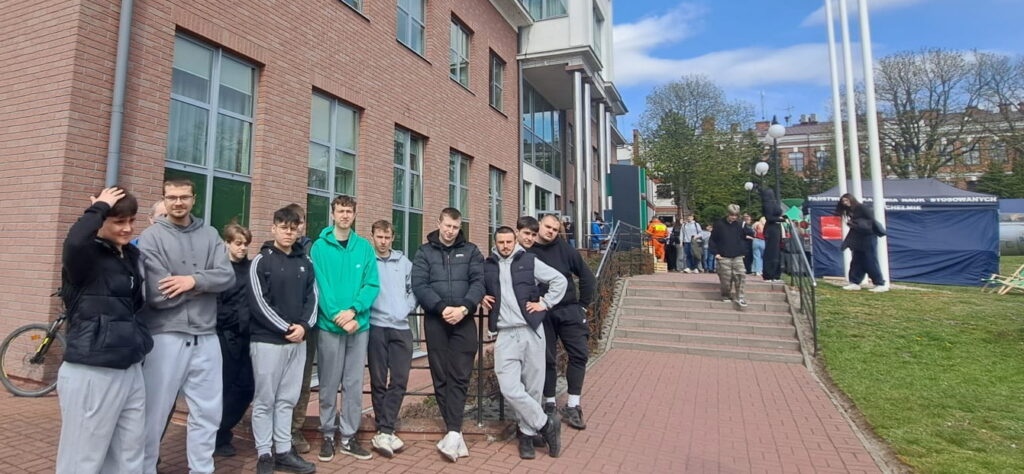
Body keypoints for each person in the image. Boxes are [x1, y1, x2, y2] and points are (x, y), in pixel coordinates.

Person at [137, 178, 235, 474]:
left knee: (208, 412)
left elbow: (227, 277)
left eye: (184, 197)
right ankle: (144, 468)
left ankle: (202, 469)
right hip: (166, 335)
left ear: (194, 199)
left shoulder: (210, 234)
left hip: (206, 336)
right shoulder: (151, 237)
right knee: (153, 413)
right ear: (164, 199)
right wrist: (206, 284)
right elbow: (157, 293)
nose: (178, 202)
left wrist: (191, 281)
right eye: (172, 197)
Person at [56, 187, 153, 474]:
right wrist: (98, 207)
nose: (127, 228)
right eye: (119, 221)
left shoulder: (130, 256)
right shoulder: (85, 258)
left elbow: (134, 306)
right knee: (82, 459)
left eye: (131, 221)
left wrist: (141, 341)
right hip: (92, 368)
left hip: (129, 366)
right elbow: (75, 241)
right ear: (101, 222)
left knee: (129, 454)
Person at [482, 226, 566, 460]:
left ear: (515, 241)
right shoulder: (488, 266)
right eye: (501, 242)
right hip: (505, 334)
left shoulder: (529, 261)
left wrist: (545, 303)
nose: (505, 246)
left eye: (509, 242)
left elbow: (559, 280)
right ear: (495, 243)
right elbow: (476, 284)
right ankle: (546, 424)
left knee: (533, 387)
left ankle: (527, 436)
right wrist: (480, 295)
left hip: (531, 330)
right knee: (509, 387)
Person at [247, 206, 318, 474]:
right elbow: (258, 302)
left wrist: (303, 327)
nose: (288, 232)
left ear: (299, 230)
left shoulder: (305, 262)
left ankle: (284, 451)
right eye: (283, 227)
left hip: (297, 342)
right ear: (274, 228)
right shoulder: (261, 261)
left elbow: (313, 298)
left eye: (293, 228)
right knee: (265, 400)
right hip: (268, 341)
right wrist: (286, 328)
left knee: (287, 399)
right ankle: (265, 453)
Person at [411, 208, 485, 462]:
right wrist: (442, 308)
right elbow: (420, 285)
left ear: (459, 227)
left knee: (460, 376)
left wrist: (464, 308)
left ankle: (453, 432)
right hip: (436, 321)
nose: (451, 231)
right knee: (441, 376)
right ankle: (455, 432)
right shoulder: (424, 252)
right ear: (439, 223)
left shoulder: (472, 251)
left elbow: (479, 283)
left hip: (464, 321)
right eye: (447, 226)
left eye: (455, 227)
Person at [310, 195, 379, 462]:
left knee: (353, 383)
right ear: (333, 213)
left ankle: (349, 437)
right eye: (340, 211)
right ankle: (328, 434)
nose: (345, 215)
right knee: (328, 383)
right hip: (329, 326)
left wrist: (353, 311)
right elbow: (319, 285)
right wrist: (337, 316)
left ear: (354, 214)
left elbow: (371, 284)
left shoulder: (364, 248)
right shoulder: (319, 247)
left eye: (349, 211)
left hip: (358, 326)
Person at [529, 214, 596, 430]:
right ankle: (549, 403)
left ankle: (573, 405)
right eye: (547, 227)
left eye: (555, 229)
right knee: (546, 358)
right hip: (542, 312)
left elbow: (587, 276)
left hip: (569, 310)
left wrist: (582, 305)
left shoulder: (565, 250)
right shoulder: (528, 250)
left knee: (579, 354)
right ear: (539, 225)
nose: (550, 231)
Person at [366, 219, 417, 458]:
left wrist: (406, 308)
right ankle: (385, 430)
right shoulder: (367, 261)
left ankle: (384, 430)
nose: (383, 241)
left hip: (401, 328)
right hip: (376, 326)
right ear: (373, 237)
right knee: (378, 381)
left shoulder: (403, 262)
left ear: (392, 238)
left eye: (387, 237)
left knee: (399, 379)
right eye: (379, 237)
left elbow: (414, 288)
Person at [213, 224, 255, 458]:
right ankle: (215, 437)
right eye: (238, 243)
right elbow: (215, 305)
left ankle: (222, 429)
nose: (242, 248)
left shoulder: (251, 269)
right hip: (224, 337)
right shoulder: (219, 270)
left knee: (247, 387)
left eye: (246, 244)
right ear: (227, 243)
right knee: (223, 387)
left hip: (246, 337)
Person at [284, 203, 315, 454]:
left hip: (307, 329)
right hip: (279, 330)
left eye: (300, 221)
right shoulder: (272, 252)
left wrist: (305, 324)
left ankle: (295, 429)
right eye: (291, 222)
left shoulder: (312, 251)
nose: (295, 227)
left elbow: (315, 291)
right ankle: (277, 431)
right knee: (278, 382)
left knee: (302, 381)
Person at [836, 193, 889, 292]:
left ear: (851, 199)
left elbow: (871, 220)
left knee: (870, 260)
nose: (845, 203)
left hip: (868, 236)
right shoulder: (851, 210)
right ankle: (854, 282)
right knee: (857, 260)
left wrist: (857, 224)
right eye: (843, 201)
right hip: (858, 236)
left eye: (846, 200)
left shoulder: (861, 208)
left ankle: (879, 283)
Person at [709, 204, 754, 308]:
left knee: (741, 276)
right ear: (727, 214)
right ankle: (726, 295)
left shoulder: (740, 224)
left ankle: (740, 297)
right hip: (723, 256)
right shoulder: (719, 224)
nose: (734, 217)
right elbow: (713, 240)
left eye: (736, 215)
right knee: (726, 279)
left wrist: (746, 225)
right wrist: (716, 253)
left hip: (738, 256)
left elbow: (750, 234)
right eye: (732, 215)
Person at [760, 188, 784, 282]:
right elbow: (769, 218)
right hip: (772, 229)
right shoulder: (768, 204)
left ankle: (775, 274)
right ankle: (769, 274)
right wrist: (781, 219)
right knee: (771, 252)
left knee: (776, 252)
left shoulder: (772, 203)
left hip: (775, 228)